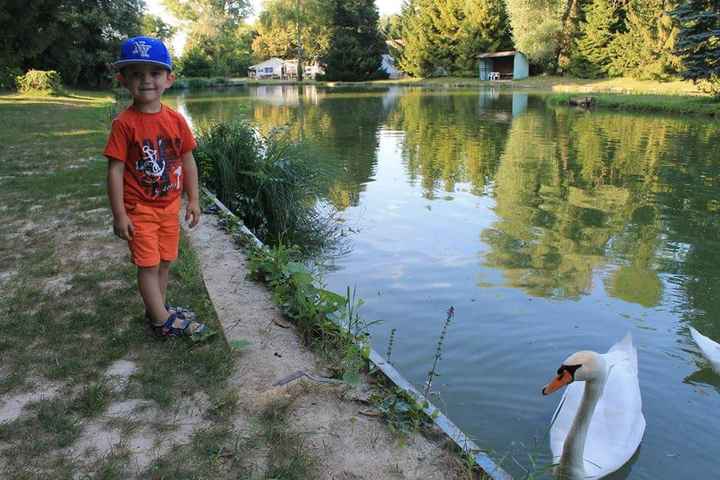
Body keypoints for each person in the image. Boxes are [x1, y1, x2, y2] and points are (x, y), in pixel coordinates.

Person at [104, 36, 213, 341]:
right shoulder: (124, 124)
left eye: (154, 73)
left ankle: (158, 312)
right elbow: (115, 169)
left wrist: (193, 199)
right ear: (123, 80)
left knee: (164, 261)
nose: (146, 80)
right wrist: (119, 214)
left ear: (168, 79)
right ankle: (163, 320)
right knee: (148, 265)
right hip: (140, 210)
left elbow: (188, 161)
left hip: (169, 207)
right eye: (136, 74)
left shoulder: (176, 121)